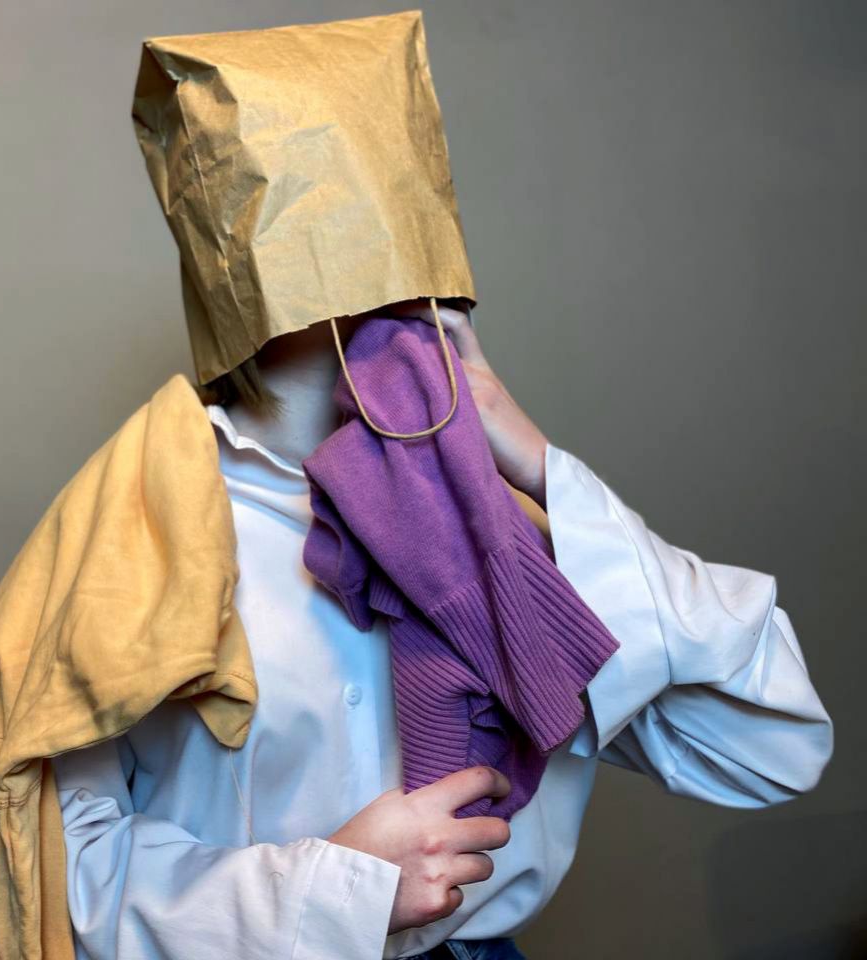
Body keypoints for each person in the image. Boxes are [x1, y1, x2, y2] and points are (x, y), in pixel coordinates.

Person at [49, 298, 833, 960]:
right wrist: (333, 891)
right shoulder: (130, 534)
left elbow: (769, 749)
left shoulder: (510, 536)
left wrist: (542, 469)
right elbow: (54, 868)